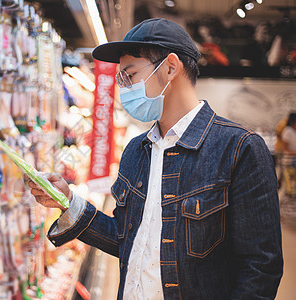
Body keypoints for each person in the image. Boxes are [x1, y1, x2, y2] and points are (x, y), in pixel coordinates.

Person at [26, 18, 283, 299]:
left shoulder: (239, 149)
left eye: (130, 75)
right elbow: (129, 240)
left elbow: (260, 267)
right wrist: (67, 200)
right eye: (120, 78)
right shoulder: (138, 150)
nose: (124, 87)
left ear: (170, 68)